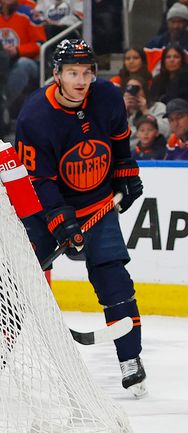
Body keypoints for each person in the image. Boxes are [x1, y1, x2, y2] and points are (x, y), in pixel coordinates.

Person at [15, 39, 146, 397]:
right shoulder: (35, 116)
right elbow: (38, 181)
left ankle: (130, 360)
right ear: (56, 74)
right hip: (43, 211)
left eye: (87, 72)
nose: (81, 80)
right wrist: (62, 222)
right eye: (72, 72)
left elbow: (119, 143)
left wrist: (126, 174)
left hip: (97, 203)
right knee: (23, 284)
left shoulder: (106, 97)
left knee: (114, 280)